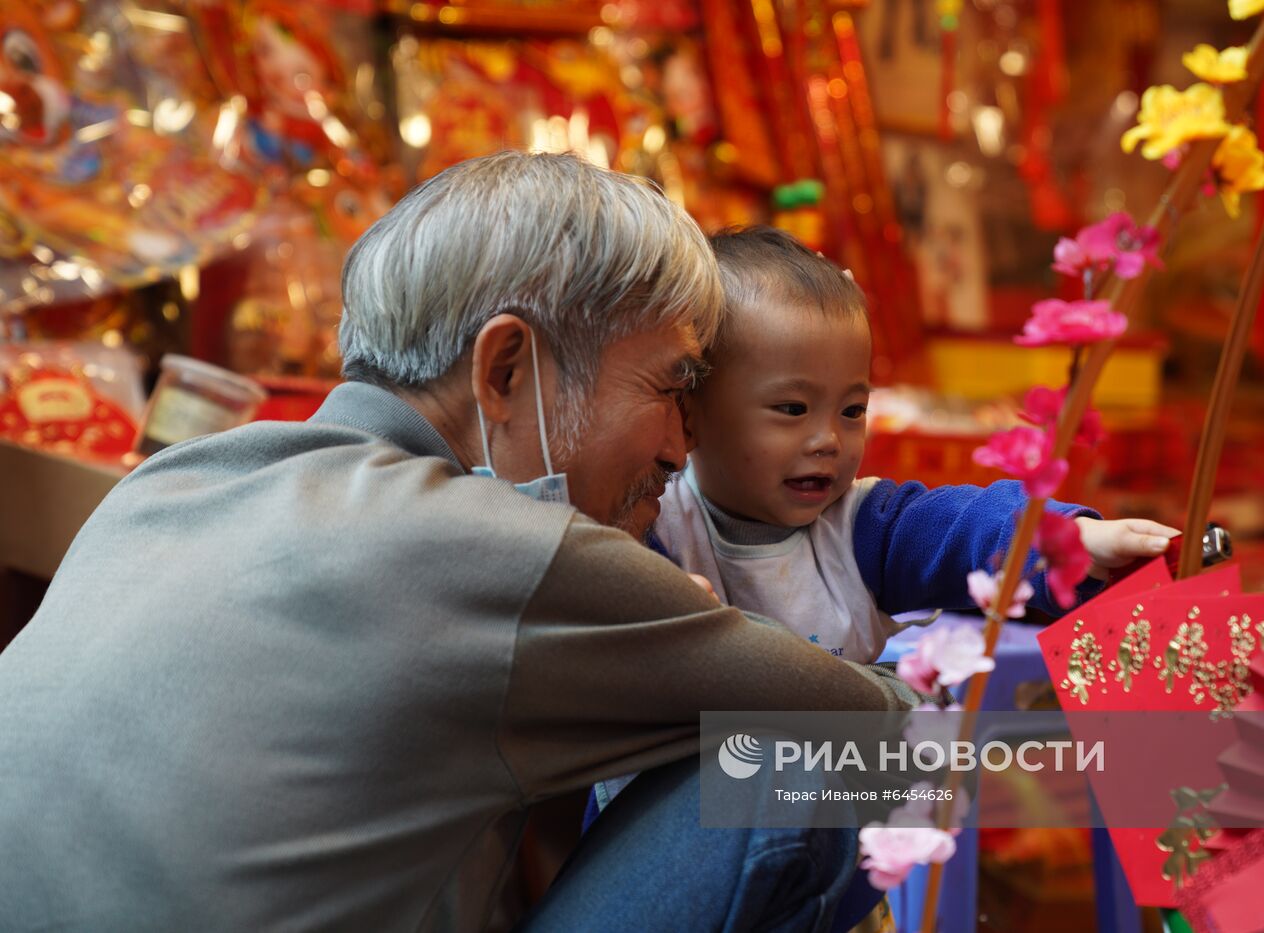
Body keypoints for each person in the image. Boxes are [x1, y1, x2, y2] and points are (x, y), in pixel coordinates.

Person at [0, 153, 922, 933]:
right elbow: (892, 738)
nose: (682, 450)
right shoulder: (494, 549)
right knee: (796, 769)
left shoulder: (174, 480)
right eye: (669, 389)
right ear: (507, 369)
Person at [650, 226, 1180, 665]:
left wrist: (1071, 539)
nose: (828, 440)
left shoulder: (860, 529)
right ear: (689, 415)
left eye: (852, 411)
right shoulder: (656, 525)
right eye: (792, 409)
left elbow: (964, 526)